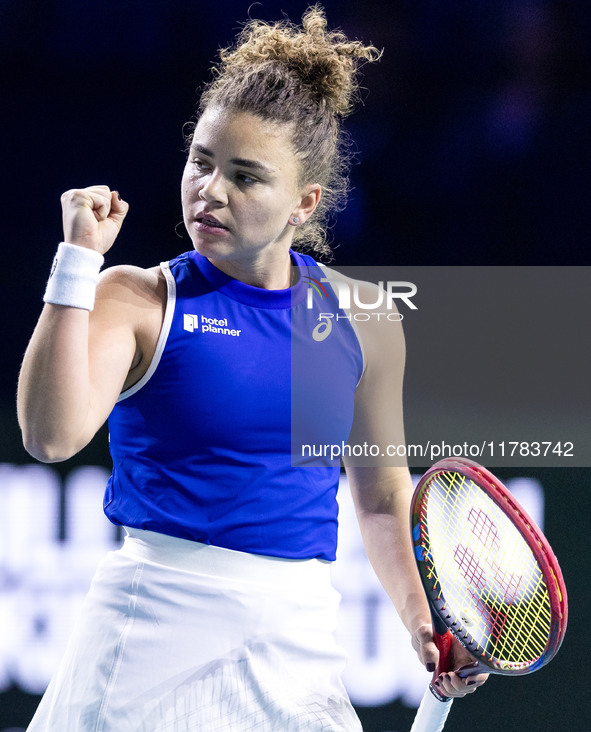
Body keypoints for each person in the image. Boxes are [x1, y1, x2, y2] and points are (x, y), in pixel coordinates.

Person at [17, 6, 487, 731]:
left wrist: (420, 622)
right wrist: (75, 264)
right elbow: (50, 437)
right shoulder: (138, 298)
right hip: (148, 633)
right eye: (201, 162)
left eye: (245, 176)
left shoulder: (363, 320)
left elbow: (380, 497)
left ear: (304, 203)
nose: (211, 189)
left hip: (294, 647)